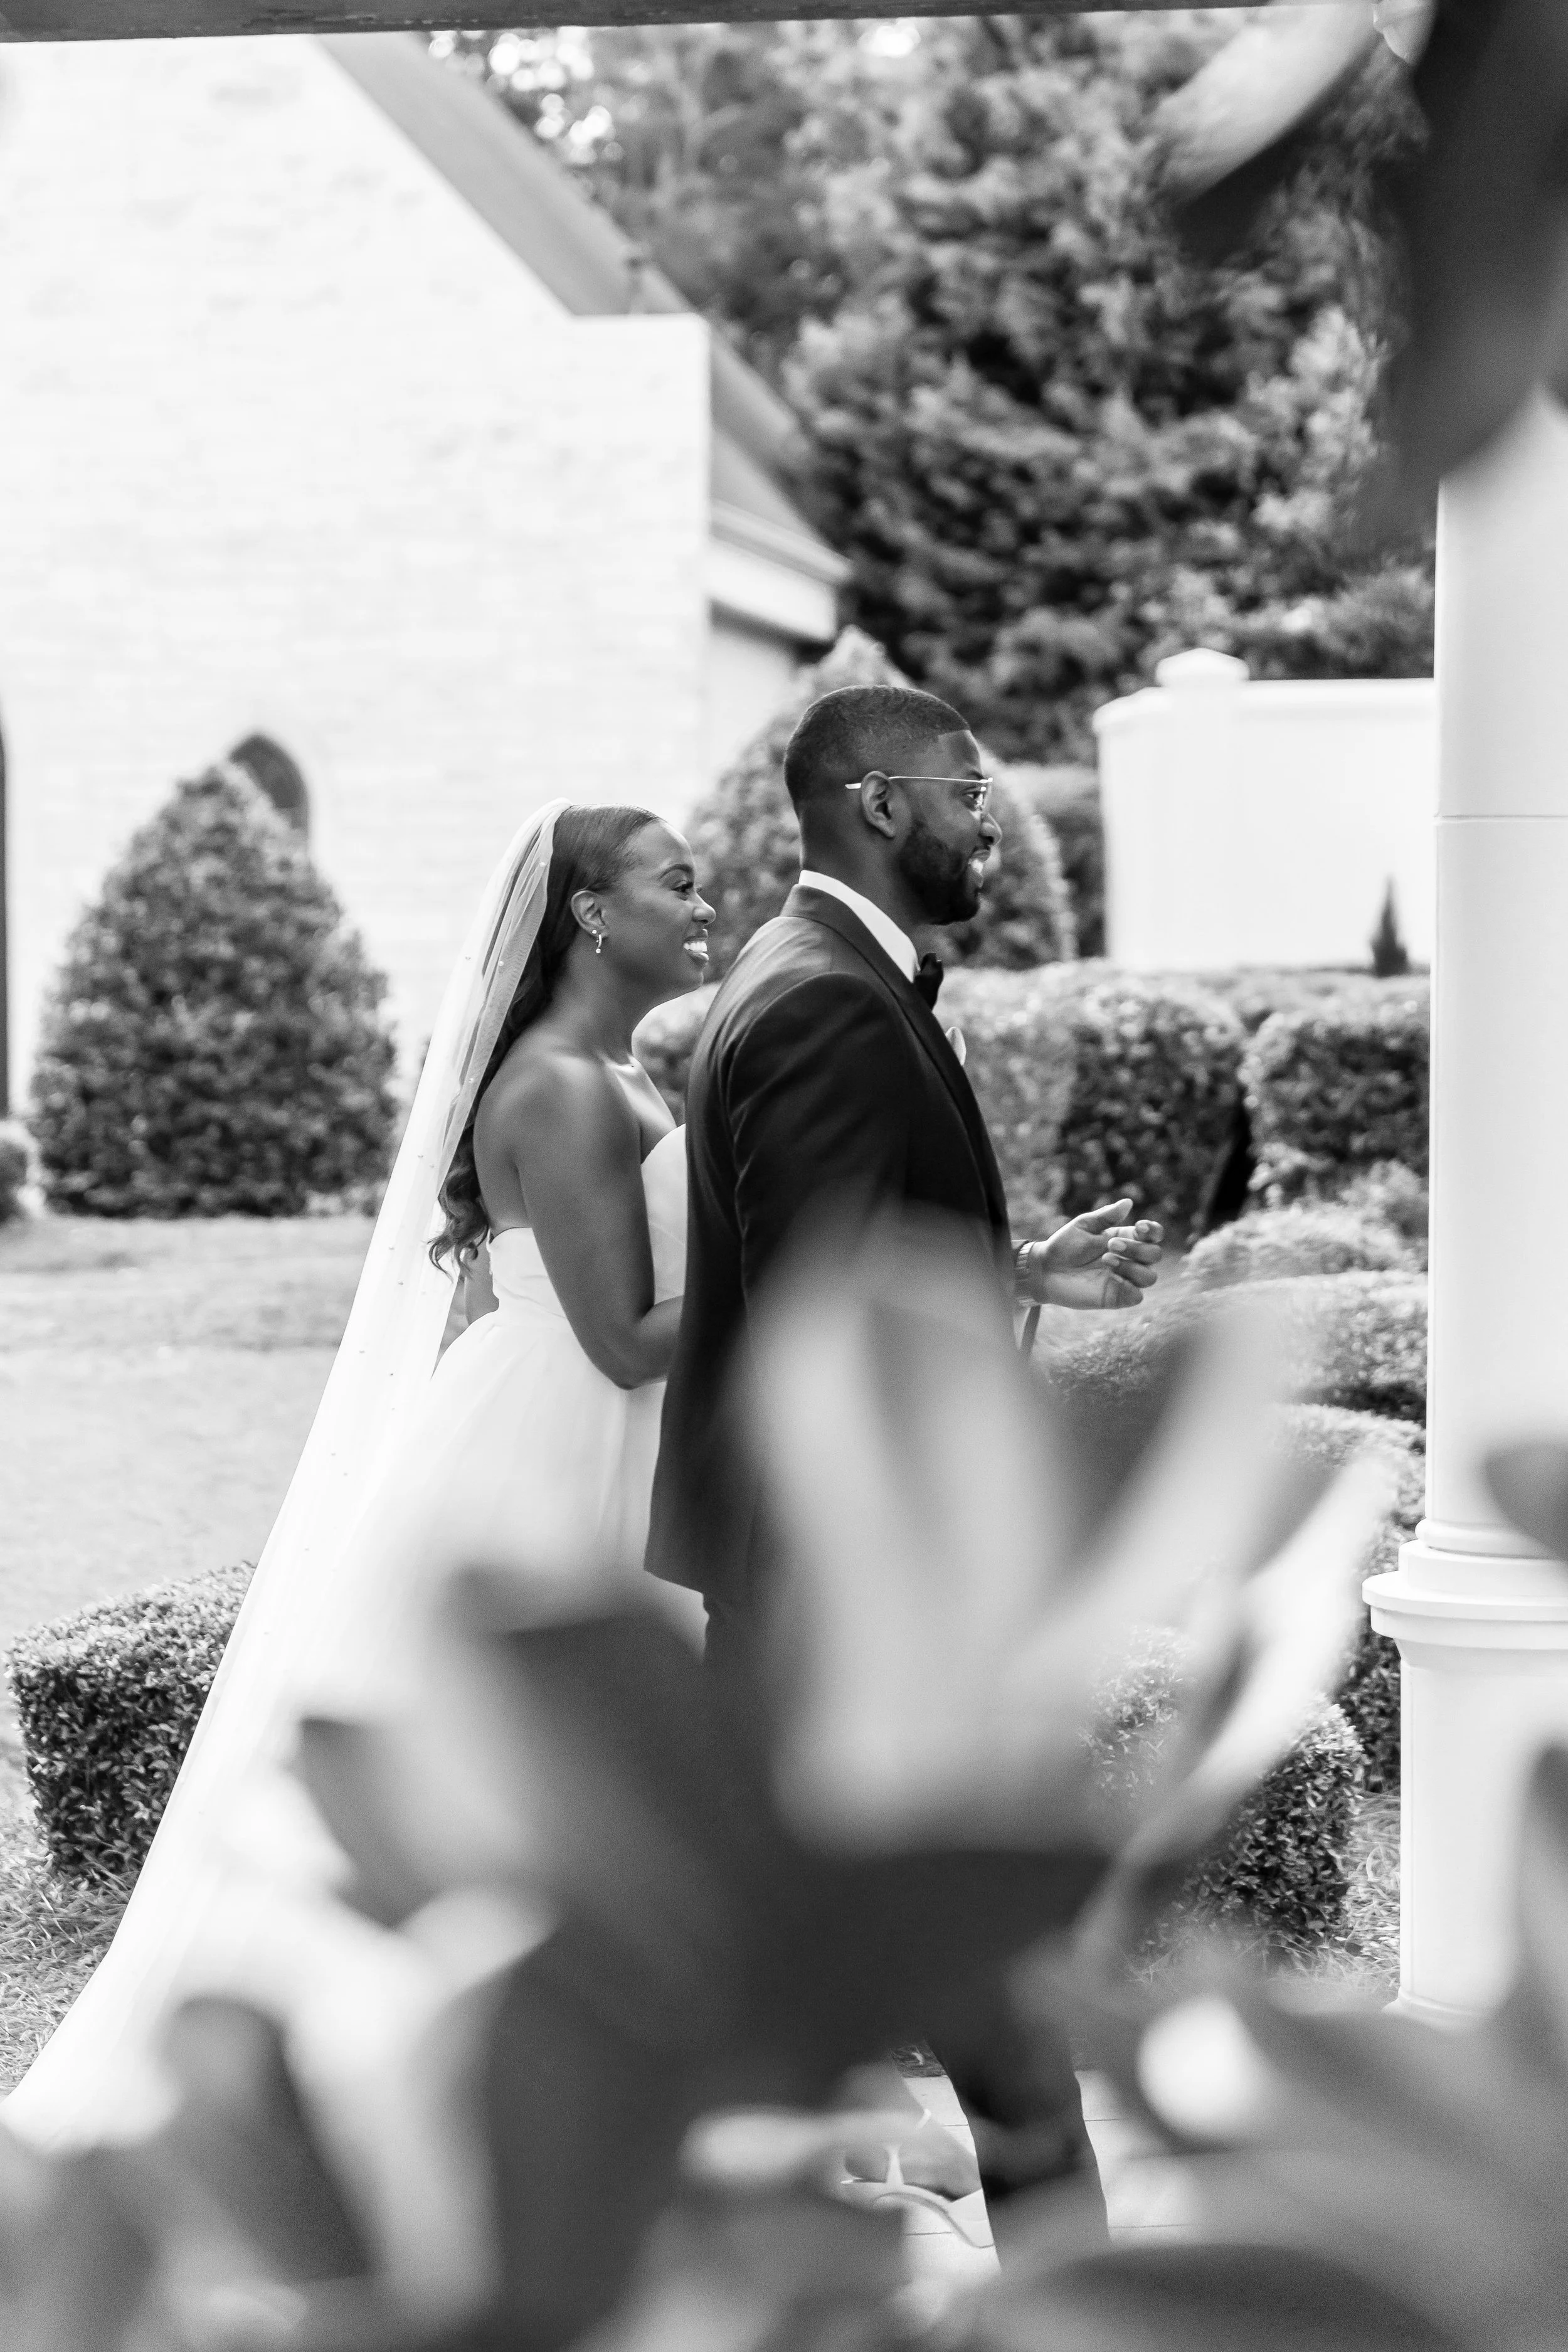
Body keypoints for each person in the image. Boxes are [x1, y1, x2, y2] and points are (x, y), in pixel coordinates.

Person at [8, 799, 713, 2146]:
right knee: (517, 1785)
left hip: (594, 1428)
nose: (705, 907)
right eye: (677, 884)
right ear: (590, 914)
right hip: (558, 1440)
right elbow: (623, 1339)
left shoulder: (619, 1074)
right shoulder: (559, 1087)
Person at [646, 682, 1164, 2227]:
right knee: (997, 2020)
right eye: (968, 791)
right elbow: (821, 1338)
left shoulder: (816, 976)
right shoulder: (824, 1000)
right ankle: (1074, 2307)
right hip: (849, 1616)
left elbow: (843, 1254)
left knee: (859, 2028)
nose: (991, 823)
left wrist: (1017, 1270)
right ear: (878, 804)